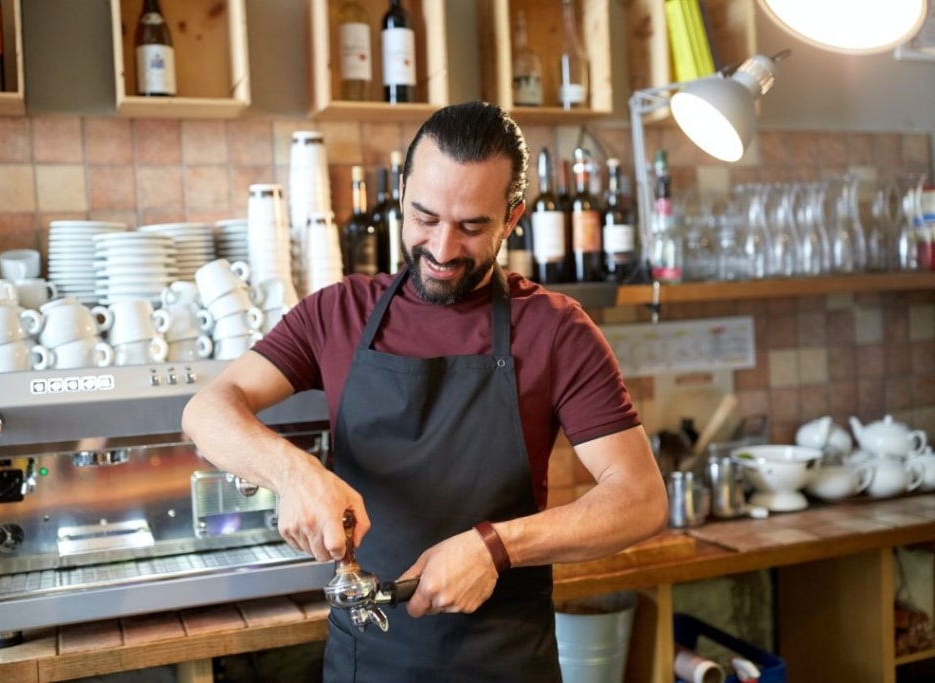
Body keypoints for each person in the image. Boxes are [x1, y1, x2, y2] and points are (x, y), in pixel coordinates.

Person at [181, 101, 667, 682]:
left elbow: (640, 499)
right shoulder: (339, 313)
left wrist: (495, 547)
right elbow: (208, 409)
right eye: (424, 217)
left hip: (504, 664)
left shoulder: (555, 329)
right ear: (404, 191)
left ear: (512, 219)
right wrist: (293, 473)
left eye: (471, 226)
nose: (440, 248)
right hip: (367, 664)